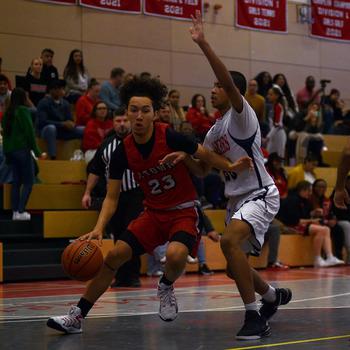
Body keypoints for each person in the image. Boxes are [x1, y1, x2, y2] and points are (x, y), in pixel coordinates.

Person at [47, 76, 252, 334]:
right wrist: (99, 228)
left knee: (177, 255)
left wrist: (230, 166)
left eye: (146, 110)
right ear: (127, 113)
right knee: (113, 256)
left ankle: (166, 286)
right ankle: (77, 316)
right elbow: (112, 196)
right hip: (153, 214)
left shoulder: (171, 136)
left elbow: (205, 155)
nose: (139, 116)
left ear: (155, 113)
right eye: (134, 110)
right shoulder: (123, 151)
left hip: (183, 212)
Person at [183, 12, 292, 340]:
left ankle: (254, 317)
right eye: (213, 86)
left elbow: (229, 84)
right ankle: (272, 296)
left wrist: (204, 44)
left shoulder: (241, 117)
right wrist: (182, 155)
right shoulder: (213, 131)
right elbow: (203, 170)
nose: (213, 89)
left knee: (230, 243)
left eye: (218, 86)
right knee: (234, 266)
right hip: (236, 198)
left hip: (260, 193)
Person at [82, 108, 143, 287]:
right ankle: (121, 276)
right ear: (113, 123)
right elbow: (95, 170)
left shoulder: (139, 141)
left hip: (135, 194)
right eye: (118, 121)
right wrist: (87, 192)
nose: (122, 124)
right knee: (117, 235)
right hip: (114, 196)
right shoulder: (106, 144)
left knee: (131, 235)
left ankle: (133, 275)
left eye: (125, 120)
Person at [1, 88, 46, 220]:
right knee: (28, 182)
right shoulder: (23, 111)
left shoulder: (7, 113)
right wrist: (37, 152)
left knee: (16, 182)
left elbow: (6, 136)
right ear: (23, 98)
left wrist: (7, 154)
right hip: (22, 151)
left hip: (10, 152)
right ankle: (21, 210)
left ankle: (15, 212)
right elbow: (29, 133)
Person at [278, 181, 344, 267]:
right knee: (322, 229)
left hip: (301, 224)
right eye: (309, 190)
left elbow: (305, 215)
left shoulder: (305, 201)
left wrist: (313, 213)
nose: (310, 193)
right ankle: (317, 258)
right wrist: (312, 220)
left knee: (326, 229)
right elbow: (295, 220)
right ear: (303, 190)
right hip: (292, 226)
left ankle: (329, 256)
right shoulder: (292, 200)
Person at [37, 80, 84, 159]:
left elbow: (70, 119)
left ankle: (82, 156)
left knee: (83, 130)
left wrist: (71, 123)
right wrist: (62, 124)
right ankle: (53, 156)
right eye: (58, 89)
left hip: (62, 131)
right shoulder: (43, 102)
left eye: (62, 88)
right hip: (46, 131)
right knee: (51, 128)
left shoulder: (65, 103)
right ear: (51, 90)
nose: (61, 91)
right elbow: (43, 122)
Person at [311, 179, 350, 261]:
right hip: (314, 222)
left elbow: (331, 212)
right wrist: (313, 213)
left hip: (326, 222)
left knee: (338, 229)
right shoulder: (309, 198)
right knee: (328, 228)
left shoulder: (326, 200)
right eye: (319, 186)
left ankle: (338, 255)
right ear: (314, 187)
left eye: (323, 187)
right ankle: (323, 257)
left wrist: (333, 219)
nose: (321, 189)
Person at [266, 85, 286, 158]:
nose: (268, 96)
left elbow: (277, 124)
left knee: (280, 156)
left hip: (279, 135)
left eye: (271, 94)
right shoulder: (271, 107)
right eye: (268, 94)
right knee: (268, 156)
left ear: (277, 96)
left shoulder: (278, 107)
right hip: (273, 135)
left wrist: (268, 137)